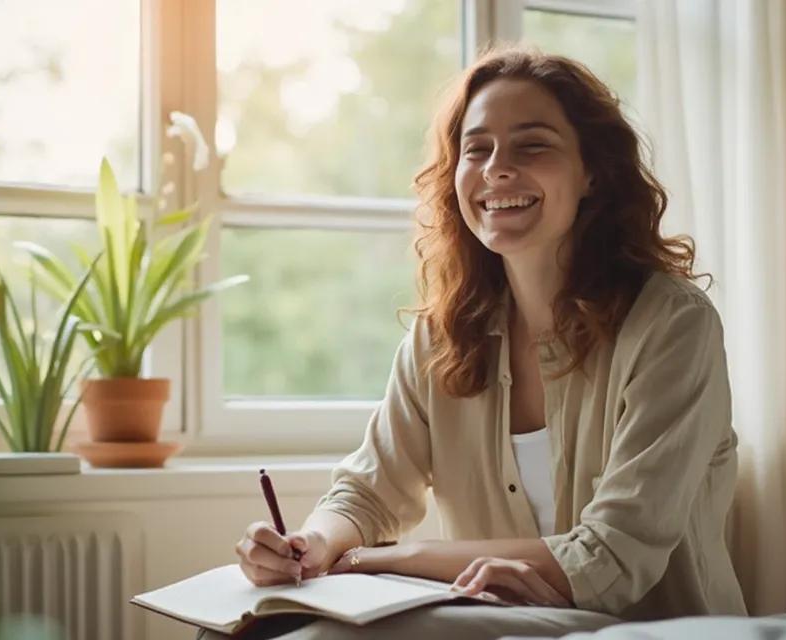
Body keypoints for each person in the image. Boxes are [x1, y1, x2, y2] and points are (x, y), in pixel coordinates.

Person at [222, 47, 746, 639]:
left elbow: (612, 557)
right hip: (499, 622)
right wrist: (312, 544)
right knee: (242, 630)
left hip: (647, 630)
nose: (497, 169)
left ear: (592, 172)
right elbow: (366, 494)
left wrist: (390, 560)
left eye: (533, 145)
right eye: (476, 149)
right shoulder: (439, 336)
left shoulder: (673, 325)